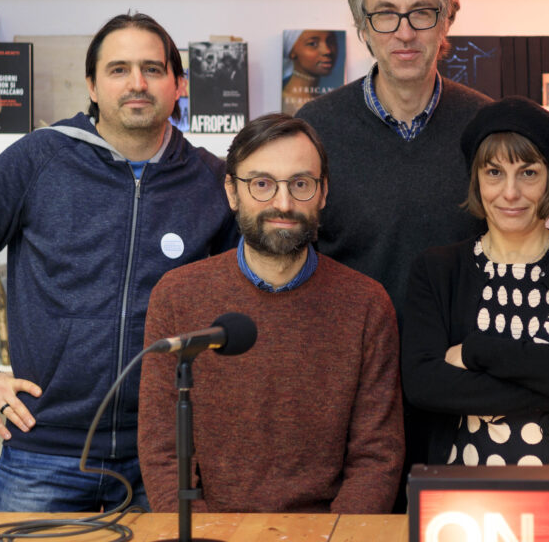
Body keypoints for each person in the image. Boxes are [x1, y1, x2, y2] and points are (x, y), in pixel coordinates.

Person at [0, 12, 240, 512]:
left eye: (153, 69)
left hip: (164, 456)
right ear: (92, 84)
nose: (137, 83)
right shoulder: (39, 159)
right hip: (42, 458)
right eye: (118, 69)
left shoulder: (211, 182)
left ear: (179, 84)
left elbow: (247, 298)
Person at [139, 114, 403, 513]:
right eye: (262, 184)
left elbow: (376, 457)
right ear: (232, 191)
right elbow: (163, 450)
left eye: (300, 184)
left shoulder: (366, 304)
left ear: (323, 192)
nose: (283, 203)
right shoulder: (178, 297)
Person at [403, 97, 549, 467]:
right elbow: (425, 385)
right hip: (463, 501)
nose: (510, 192)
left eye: (528, 173)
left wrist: (475, 353)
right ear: (475, 179)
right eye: (494, 173)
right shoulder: (437, 270)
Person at [296, 0, 490, 323]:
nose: (405, 33)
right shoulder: (314, 129)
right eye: (385, 14)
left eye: (421, 12)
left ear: (445, 22)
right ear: (362, 28)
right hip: (352, 362)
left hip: (460, 364)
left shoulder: (488, 126)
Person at [281, 29, 343, 115]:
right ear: (292, 52)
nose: (327, 51)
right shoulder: (283, 100)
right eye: (313, 44)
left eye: (331, 42)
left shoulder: (330, 100)